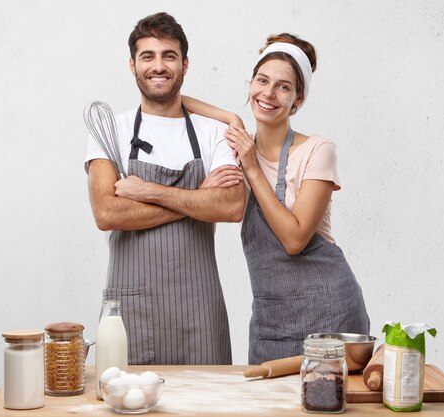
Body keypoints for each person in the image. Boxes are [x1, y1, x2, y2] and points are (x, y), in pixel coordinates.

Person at [184, 33, 370, 365]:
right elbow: (175, 100)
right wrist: (231, 118)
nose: (268, 94)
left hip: (331, 317)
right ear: (250, 84)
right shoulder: (237, 146)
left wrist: (253, 168)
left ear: (298, 101)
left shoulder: (317, 149)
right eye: (262, 80)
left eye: (283, 87)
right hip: (271, 324)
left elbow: (295, 238)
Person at [85, 12, 245, 365]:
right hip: (132, 309)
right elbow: (107, 212)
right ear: (132, 65)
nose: (159, 66)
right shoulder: (111, 129)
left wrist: (147, 191)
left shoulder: (212, 131)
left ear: (185, 64)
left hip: (199, 307)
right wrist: (199, 197)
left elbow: (232, 206)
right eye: (148, 56)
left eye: (169, 55)